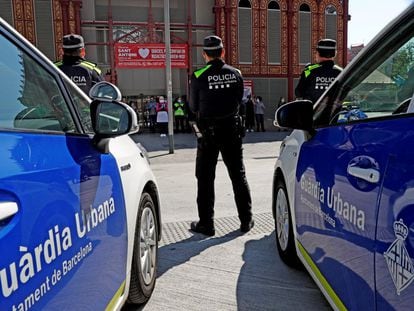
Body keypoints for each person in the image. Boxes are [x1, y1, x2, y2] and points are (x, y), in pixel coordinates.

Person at [189, 35, 254, 236]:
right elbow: (240, 102)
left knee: (205, 178)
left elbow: (192, 106)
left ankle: (207, 224)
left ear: (204, 53)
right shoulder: (236, 73)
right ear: (223, 52)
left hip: (208, 133)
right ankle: (246, 220)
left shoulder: (198, 75)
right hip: (232, 131)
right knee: (238, 175)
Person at [295, 39, 342, 104]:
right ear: (335, 54)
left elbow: (298, 92)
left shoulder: (309, 70)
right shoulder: (340, 72)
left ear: (318, 53)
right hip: (334, 113)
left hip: (313, 113)